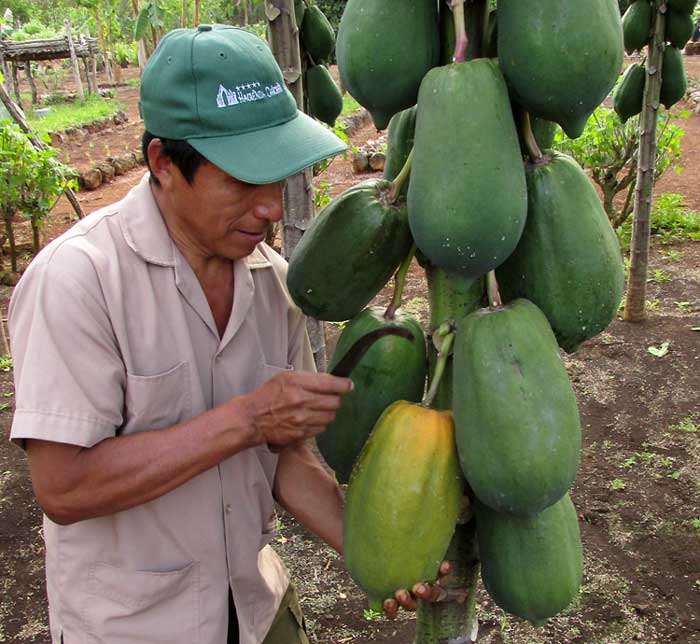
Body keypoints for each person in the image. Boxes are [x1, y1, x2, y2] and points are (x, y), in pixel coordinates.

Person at [8, 24, 448, 644]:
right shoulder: (78, 281)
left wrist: (377, 554)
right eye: (242, 181)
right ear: (163, 162)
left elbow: (283, 458)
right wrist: (244, 421)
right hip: (135, 627)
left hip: (255, 606)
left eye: (279, 177)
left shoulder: (275, 286)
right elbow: (64, 486)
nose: (270, 205)